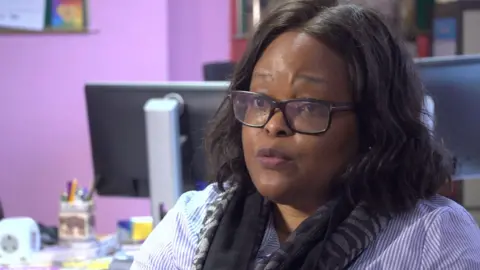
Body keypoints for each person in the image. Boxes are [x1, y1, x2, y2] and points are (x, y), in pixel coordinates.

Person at [131, 1, 480, 269]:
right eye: (260, 100)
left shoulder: (433, 237)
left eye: (307, 105)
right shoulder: (192, 223)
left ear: (374, 122)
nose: (273, 124)